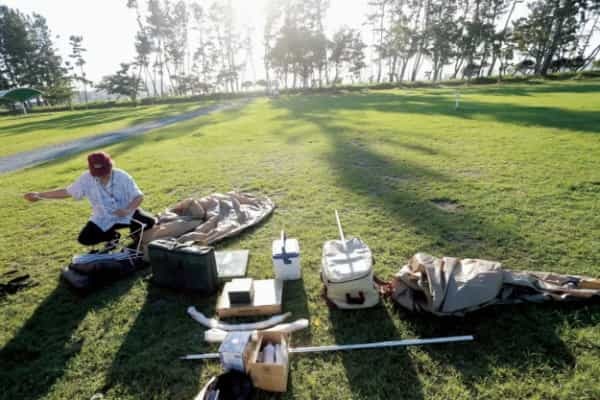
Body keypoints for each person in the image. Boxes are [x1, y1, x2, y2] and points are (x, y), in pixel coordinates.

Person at [24, 151, 155, 249]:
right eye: (99, 174)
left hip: (127, 213)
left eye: (105, 172)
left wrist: (128, 209)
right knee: (85, 239)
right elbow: (67, 191)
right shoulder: (86, 178)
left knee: (150, 222)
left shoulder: (122, 176)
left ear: (110, 166)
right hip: (103, 217)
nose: (103, 176)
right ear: (91, 170)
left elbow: (139, 196)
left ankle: (135, 235)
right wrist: (39, 195)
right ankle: (112, 236)